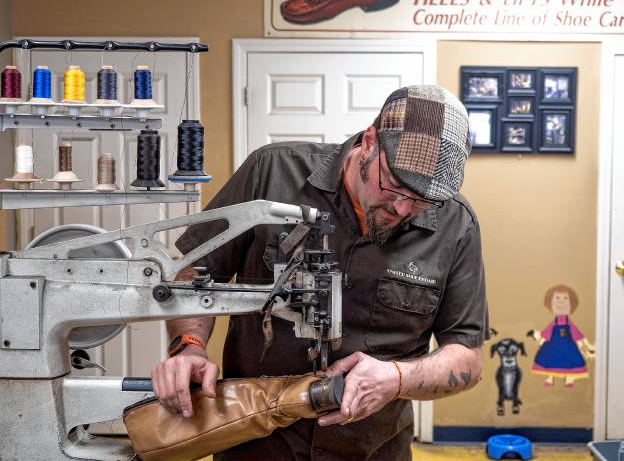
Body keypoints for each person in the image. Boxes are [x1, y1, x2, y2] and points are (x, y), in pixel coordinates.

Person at [151, 85, 489, 460]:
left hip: (371, 448)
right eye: (393, 185)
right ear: (370, 140)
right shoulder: (272, 172)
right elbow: (193, 269)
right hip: (256, 443)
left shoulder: (456, 224)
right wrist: (189, 347)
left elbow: (467, 359)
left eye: (421, 200)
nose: (401, 207)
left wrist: (397, 379)